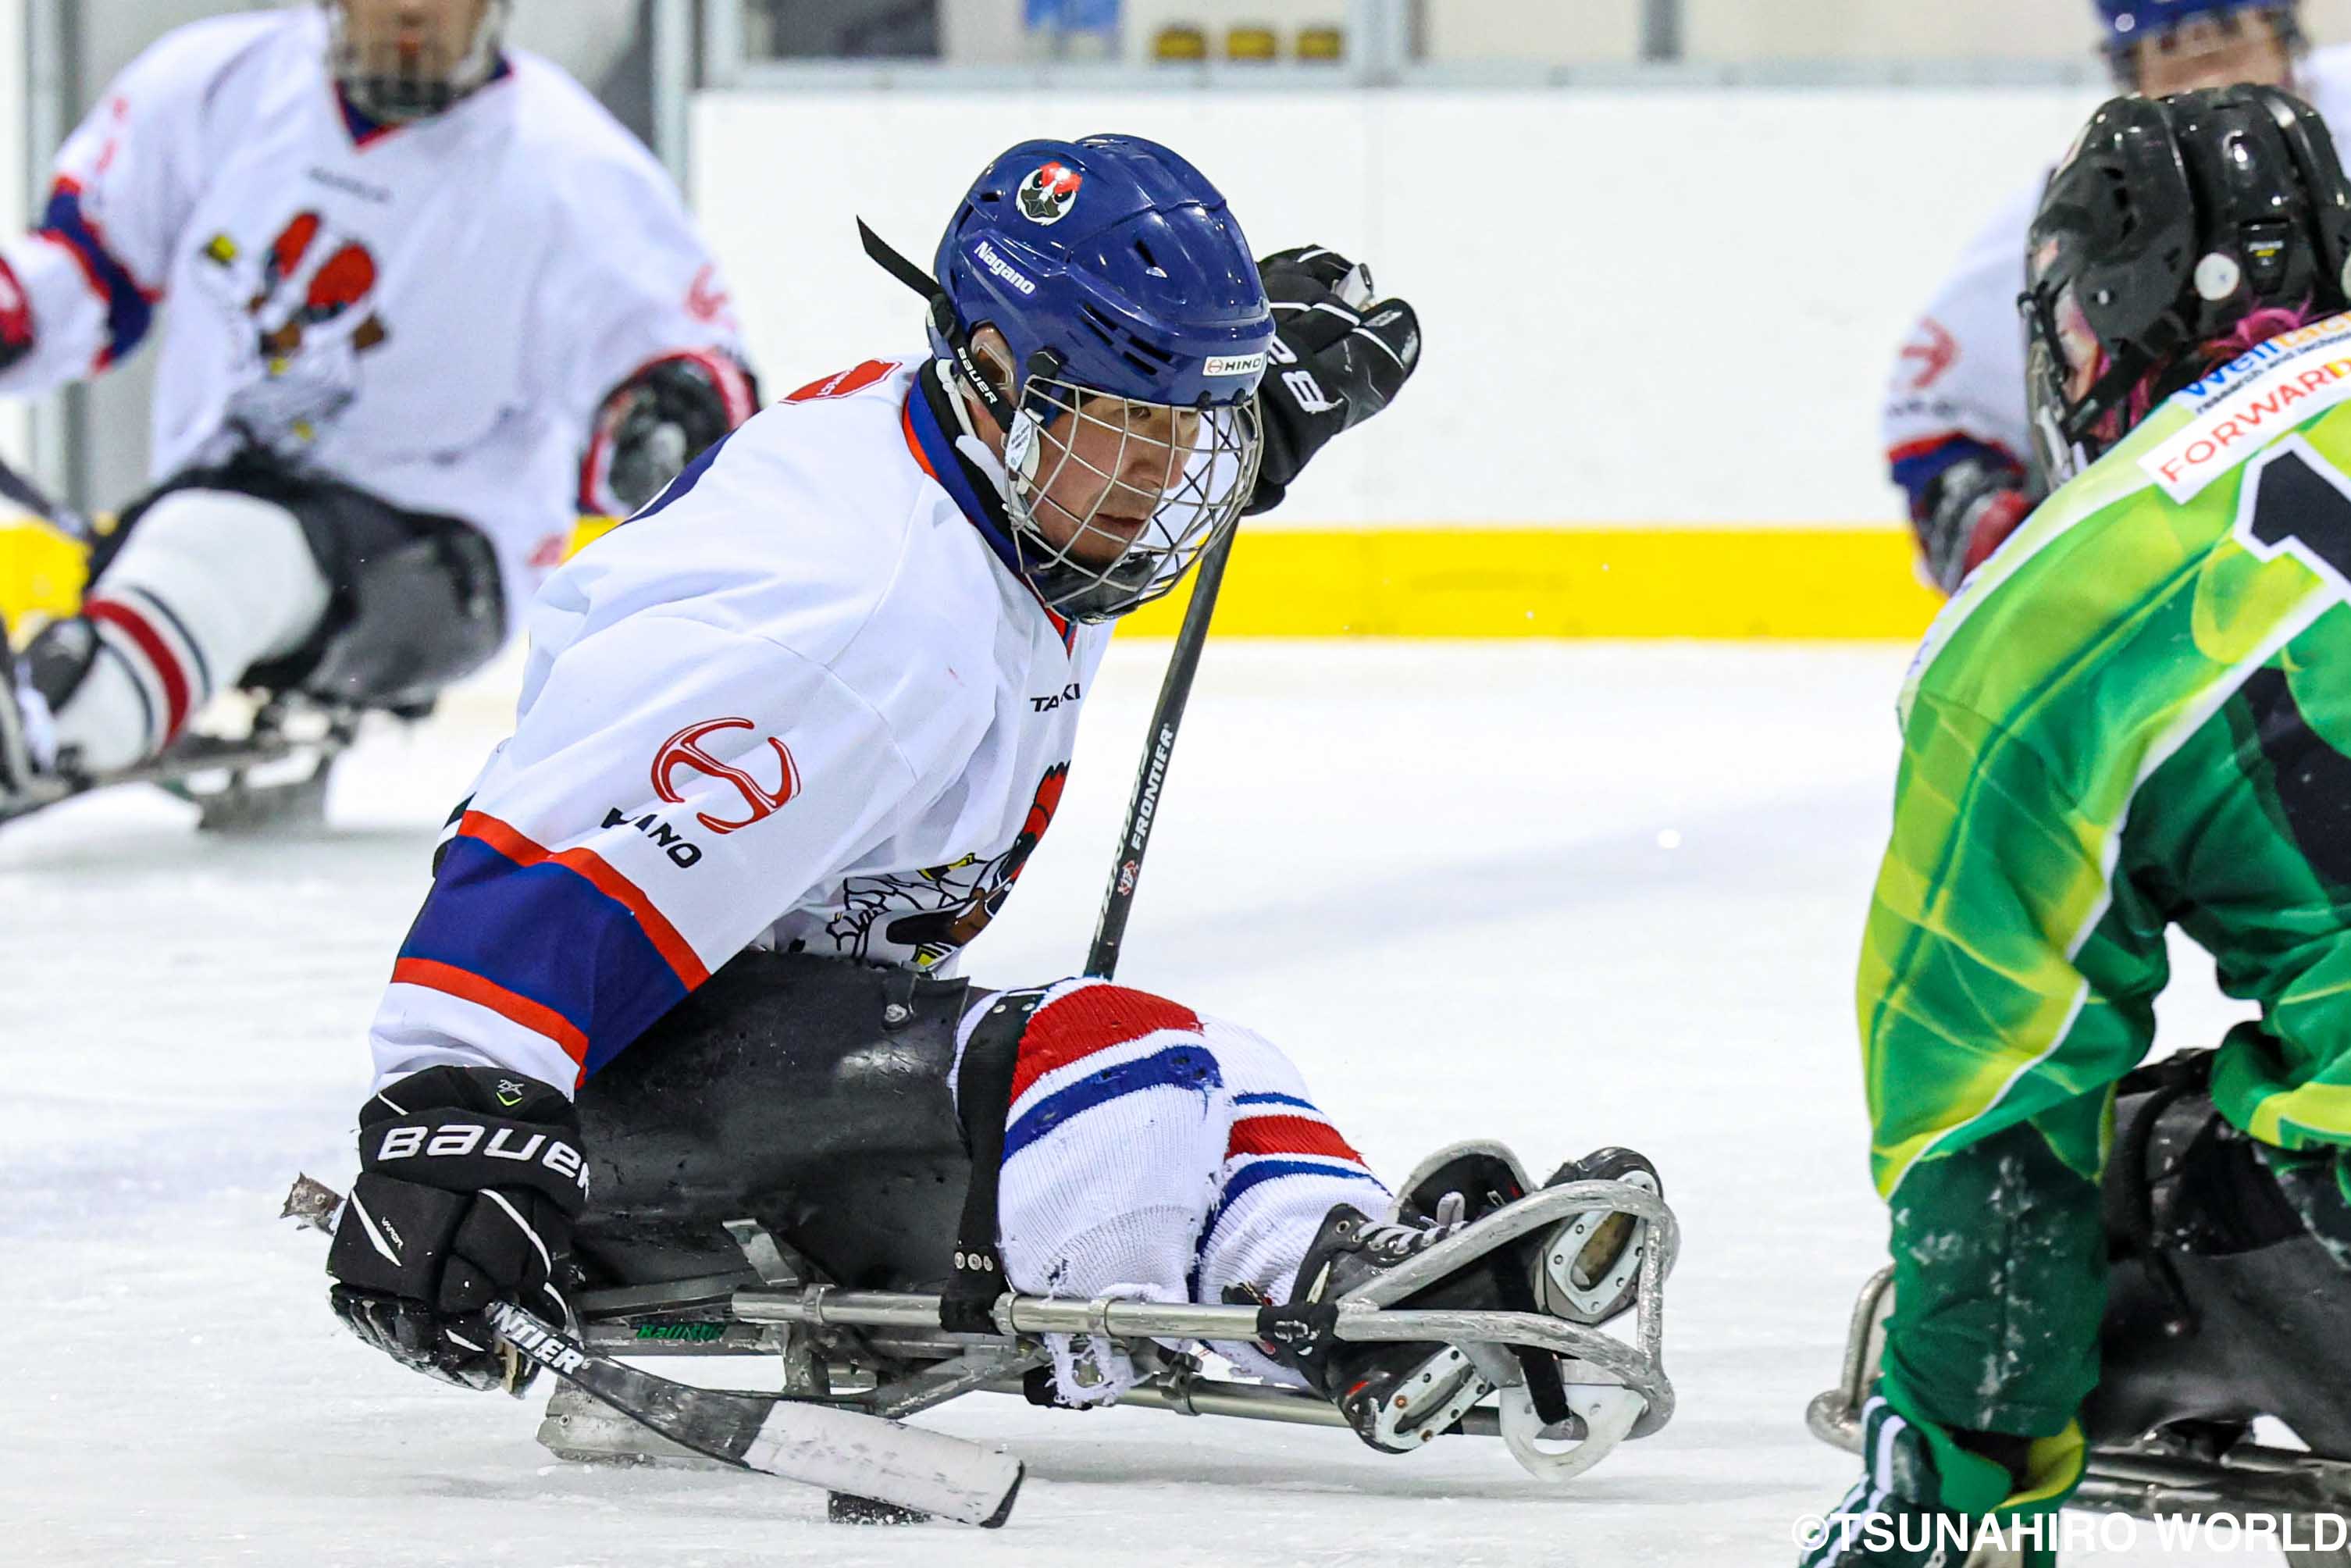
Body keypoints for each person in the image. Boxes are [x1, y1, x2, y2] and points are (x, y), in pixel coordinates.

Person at [309, 132, 1627, 1452]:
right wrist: (458, 1117)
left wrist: (1250, 407)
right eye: (1134, 429)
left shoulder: (1012, 466)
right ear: (994, 377)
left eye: (1198, 432)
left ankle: (1353, 1274)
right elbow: (556, 853)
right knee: (1106, 1063)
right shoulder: (852, 610)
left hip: (771, 1003)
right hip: (611, 1102)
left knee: (1214, 1061)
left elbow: (1145, 435)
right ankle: (1296, 1308)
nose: (1172, 480)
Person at [1805, 86, 2351, 1565]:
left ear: (2107, 316)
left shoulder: (2053, 613)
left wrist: (1957, 1464)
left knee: (2120, 1165)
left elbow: (1988, 1099)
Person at [0, 0, 754, 803]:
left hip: (436, 555)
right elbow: (86, 274)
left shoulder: (574, 168)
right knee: (210, 536)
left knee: (220, 544)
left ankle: (56, 729)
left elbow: (693, 382)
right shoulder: (217, 85)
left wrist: (661, 429)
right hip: (218, 493)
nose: (409, 14)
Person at [1883, 0, 2351, 593]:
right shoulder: (2081, 214)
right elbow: (1933, 418)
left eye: (2230, 33)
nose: (2206, 73)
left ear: (2284, 35)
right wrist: (2024, 563)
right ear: (2130, 69)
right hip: (2191, 576)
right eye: (2168, 49)